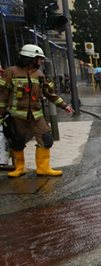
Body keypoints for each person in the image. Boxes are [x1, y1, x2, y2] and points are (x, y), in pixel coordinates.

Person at [0, 44, 74, 177]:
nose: (41, 61)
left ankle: (43, 168)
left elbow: (49, 93)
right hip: (17, 115)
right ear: (30, 58)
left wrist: (64, 105)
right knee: (17, 141)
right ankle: (20, 168)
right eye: (39, 58)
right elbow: (3, 95)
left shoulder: (39, 74)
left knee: (46, 139)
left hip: (36, 115)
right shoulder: (11, 72)